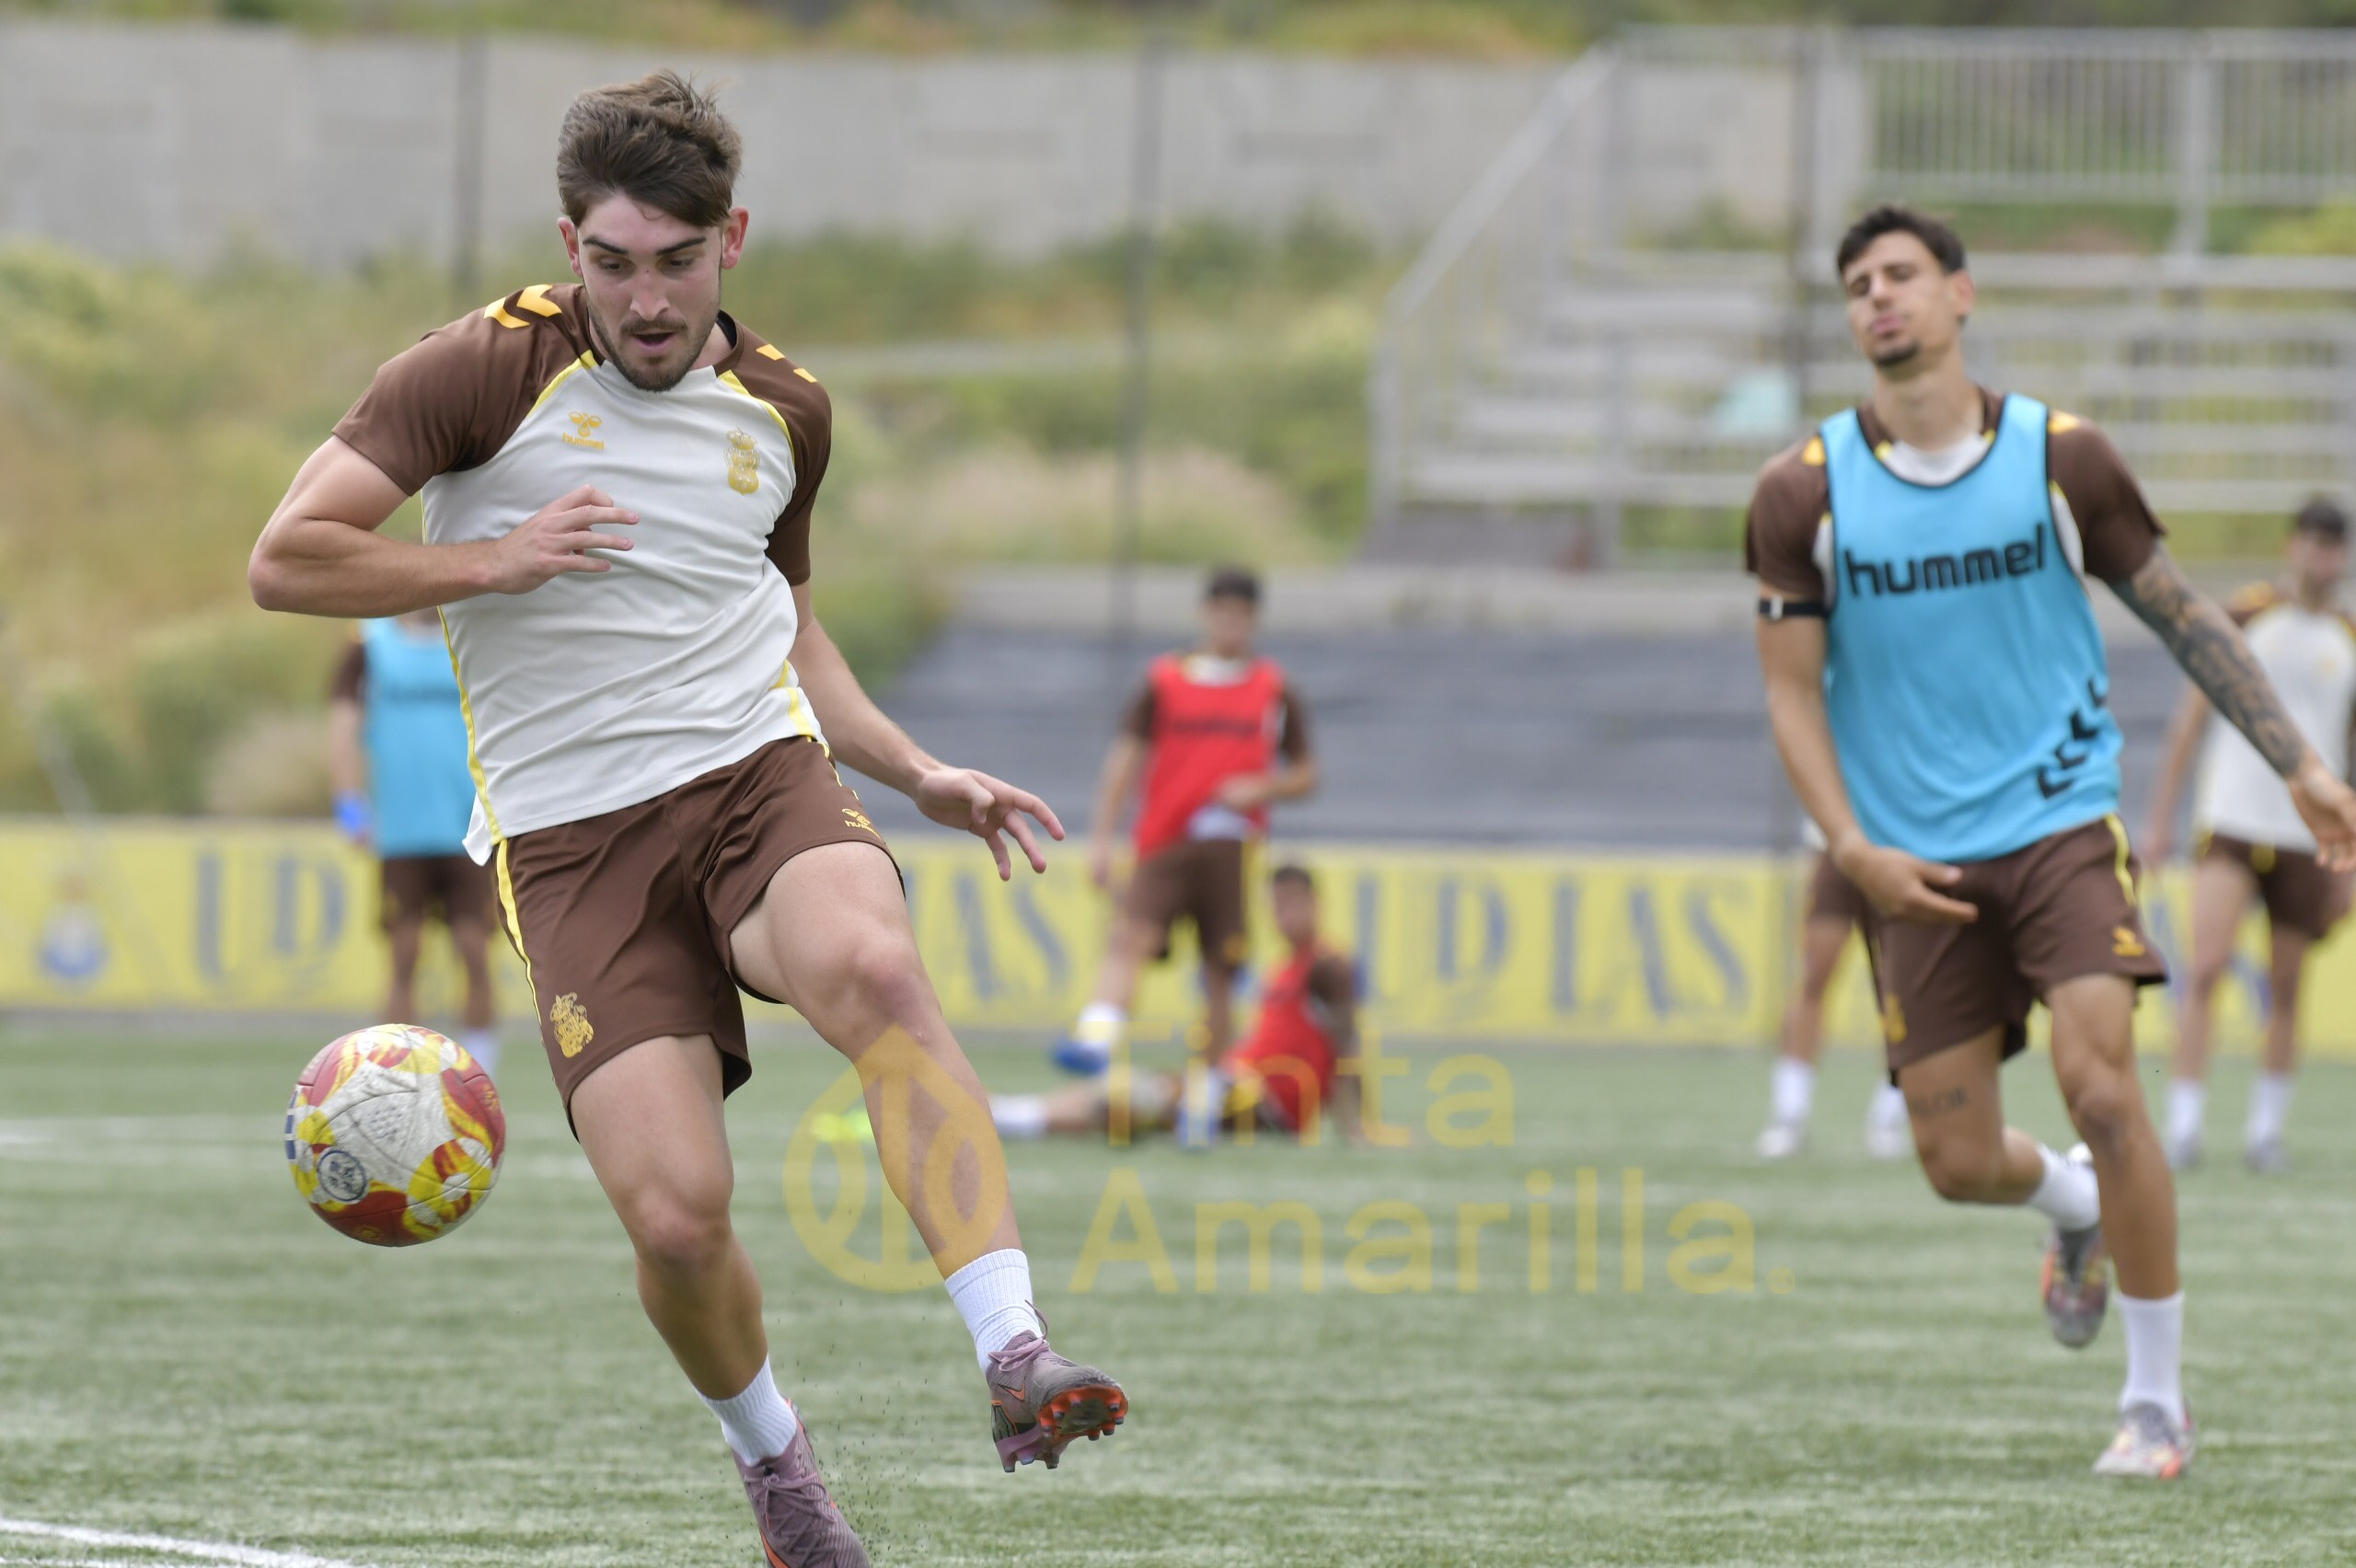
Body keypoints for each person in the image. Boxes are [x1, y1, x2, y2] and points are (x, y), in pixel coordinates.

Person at [248, 72, 1125, 1565]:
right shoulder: (473, 373)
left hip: (753, 777)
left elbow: (787, 621)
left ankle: (1015, 1350)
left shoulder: (787, 411)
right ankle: (777, 1464)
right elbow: (288, 557)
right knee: (676, 1219)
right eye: (613, 262)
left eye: (677, 259)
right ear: (569, 247)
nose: (646, 300)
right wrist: (492, 562)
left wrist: (912, 769)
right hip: (571, 841)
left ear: (735, 239)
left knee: (876, 971)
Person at [1746, 203, 2356, 1481]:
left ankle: (2155, 1403)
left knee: (2104, 1087)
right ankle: (2070, 1204)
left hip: (2059, 823)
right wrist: (1848, 846)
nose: (1878, 298)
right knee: (1956, 1161)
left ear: (1960, 294)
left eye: (1901, 274)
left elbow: (2182, 615)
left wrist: (2301, 766)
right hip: (1911, 862)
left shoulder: (2061, 459)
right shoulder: (1801, 492)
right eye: (1857, 285)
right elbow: (1790, 697)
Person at [1053, 568, 1318, 1125]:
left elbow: (1306, 774)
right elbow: (1123, 763)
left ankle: (1208, 1093)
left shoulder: (1273, 688)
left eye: (1241, 615)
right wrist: (1101, 841)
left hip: (1231, 846)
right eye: (1221, 612)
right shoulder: (1165, 681)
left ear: (1253, 620)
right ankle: (1096, 1036)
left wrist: (1261, 787)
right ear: (1206, 614)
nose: (1230, 624)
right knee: (1133, 935)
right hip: (1165, 839)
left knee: (1222, 968)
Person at [2142, 498, 2356, 1174]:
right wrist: (2161, 819)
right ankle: (2184, 1125)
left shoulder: (2348, 636)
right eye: (2313, 542)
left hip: (2306, 834)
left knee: (2286, 986)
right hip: (2232, 818)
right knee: (2205, 968)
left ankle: (2266, 1131)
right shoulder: (2244, 616)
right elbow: (2190, 722)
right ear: (2293, 546)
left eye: (2334, 545)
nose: (2322, 557)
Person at [1000, 863, 1358, 1144]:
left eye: (1293, 903)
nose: (1284, 915)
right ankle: (1015, 1112)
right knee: (1132, 1088)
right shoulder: (1283, 968)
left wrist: (1355, 1126)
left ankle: (1012, 1117)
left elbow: (1346, 1045)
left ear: (1316, 902)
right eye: (1277, 905)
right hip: (1236, 1083)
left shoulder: (1327, 965)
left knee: (1134, 1098)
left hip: (1265, 1103)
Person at [329, 611, 501, 1077]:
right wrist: (349, 801)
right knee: (404, 952)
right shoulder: (369, 643)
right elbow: (344, 722)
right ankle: (396, 1072)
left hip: (470, 828)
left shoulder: (472, 634)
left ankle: (480, 1072)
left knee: (475, 950)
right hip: (401, 830)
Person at [1756, 824, 1911, 1161]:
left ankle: (1890, 1114)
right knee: (1813, 978)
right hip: (1839, 850)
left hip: (1897, 851)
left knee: (1901, 989)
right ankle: (1789, 1112)